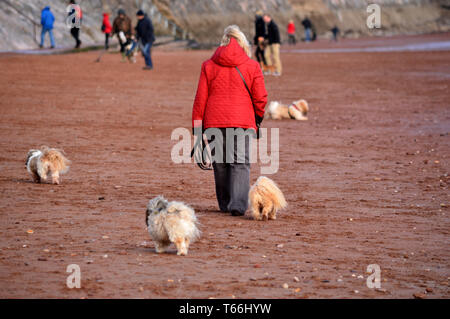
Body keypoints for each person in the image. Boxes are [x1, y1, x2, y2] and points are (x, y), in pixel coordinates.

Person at [192, 25, 267, 216]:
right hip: (242, 121)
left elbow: (200, 99)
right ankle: (238, 205)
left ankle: (225, 203)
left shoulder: (208, 65)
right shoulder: (252, 66)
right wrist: (257, 117)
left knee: (221, 163)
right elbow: (260, 98)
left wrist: (197, 130)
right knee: (240, 162)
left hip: (214, 121)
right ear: (242, 43)